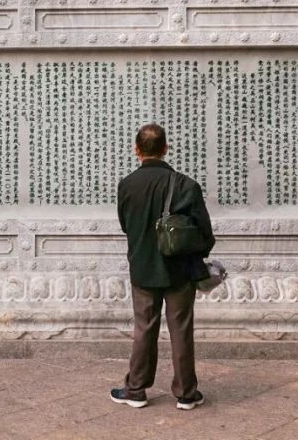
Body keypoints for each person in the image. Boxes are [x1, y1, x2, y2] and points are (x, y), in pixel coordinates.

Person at [110, 123, 215, 411]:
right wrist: (196, 255)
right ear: (166, 149)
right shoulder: (185, 185)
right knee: (181, 329)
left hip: (143, 268)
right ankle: (186, 393)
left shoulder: (127, 185)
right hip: (179, 270)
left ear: (137, 150)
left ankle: (135, 390)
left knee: (145, 327)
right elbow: (205, 234)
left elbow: (125, 226)